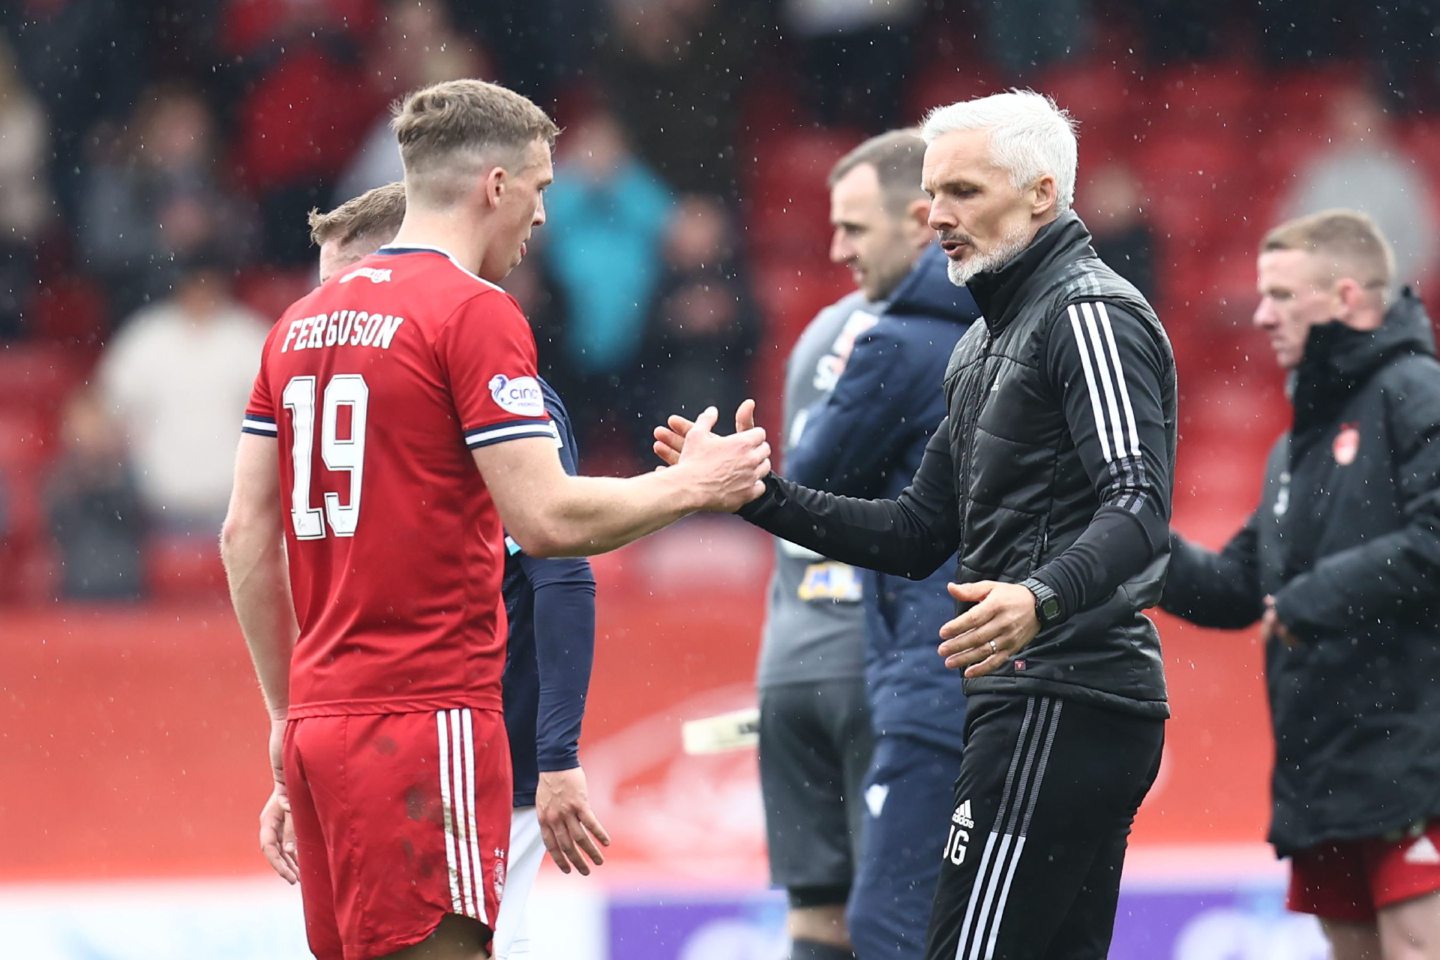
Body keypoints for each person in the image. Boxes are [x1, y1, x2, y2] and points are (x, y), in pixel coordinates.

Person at [221, 78, 770, 960]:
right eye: (542, 188)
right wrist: (692, 487)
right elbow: (546, 520)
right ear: (495, 186)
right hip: (428, 714)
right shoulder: (474, 312)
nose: (545, 216)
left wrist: (287, 718)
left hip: (322, 721)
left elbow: (244, 538)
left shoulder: (295, 325)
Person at [656, 90, 1176, 960]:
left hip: (1063, 692)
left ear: (1043, 193)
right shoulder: (981, 343)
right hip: (1033, 694)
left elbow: (1138, 503)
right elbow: (912, 531)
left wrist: (1039, 601)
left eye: (963, 192)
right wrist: (755, 496)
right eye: (933, 194)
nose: (935, 216)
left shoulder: (1089, 311)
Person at [305, 181, 607, 960]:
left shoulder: (501, 397)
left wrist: (556, 756)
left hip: (473, 747)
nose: (333, 316)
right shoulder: (353, 411)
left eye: (347, 287)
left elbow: (560, 568)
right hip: (374, 739)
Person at [1159, 210, 1440, 960]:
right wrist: (1125, 544)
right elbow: (1236, 586)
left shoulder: (1415, 390)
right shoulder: (1296, 444)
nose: (1261, 315)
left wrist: (1309, 601)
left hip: (1414, 750)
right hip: (1325, 762)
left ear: (1347, 297)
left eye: (1282, 295)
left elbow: (1435, 542)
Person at [777, 129, 979, 960]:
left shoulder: (891, 343)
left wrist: (741, 486)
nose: (838, 250)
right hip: (1022, 675)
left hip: (926, 673)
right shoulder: (1022, 329)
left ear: (921, 221)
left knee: (886, 927)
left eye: (854, 228)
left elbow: (810, 486)